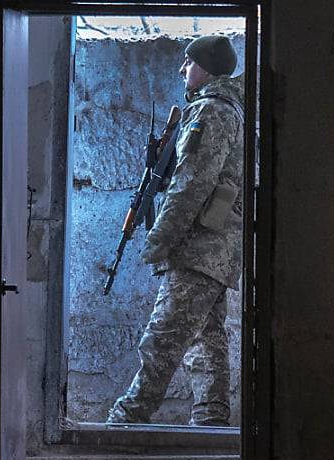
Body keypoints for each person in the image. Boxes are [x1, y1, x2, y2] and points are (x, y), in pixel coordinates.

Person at [107, 35, 244, 427]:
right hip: (215, 250)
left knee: (162, 338)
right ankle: (211, 421)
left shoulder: (211, 112)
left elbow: (191, 184)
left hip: (198, 247)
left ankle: (126, 420)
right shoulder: (226, 109)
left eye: (189, 62)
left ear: (206, 66)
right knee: (206, 339)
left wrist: (160, 239)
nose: (183, 69)